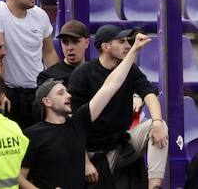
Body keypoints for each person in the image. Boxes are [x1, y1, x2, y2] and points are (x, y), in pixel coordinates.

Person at [24, 32, 149, 189]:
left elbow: (111, 85)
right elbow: (19, 177)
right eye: (61, 93)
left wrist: (134, 50)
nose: (69, 95)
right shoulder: (33, 134)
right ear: (47, 101)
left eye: (67, 91)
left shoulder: (78, 121)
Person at [68, 26, 168, 189]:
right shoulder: (83, 73)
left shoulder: (131, 69)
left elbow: (149, 95)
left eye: (128, 42)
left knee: (159, 126)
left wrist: (156, 122)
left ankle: (155, 187)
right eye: (121, 42)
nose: (127, 46)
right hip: (94, 152)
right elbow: (73, 125)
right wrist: (84, 162)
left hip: (122, 145)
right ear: (105, 47)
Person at [0, 0, 57, 129]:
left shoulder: (40, 15)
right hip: (10, 91)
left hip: (37, 91)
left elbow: (49, 52)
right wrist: (0, 91)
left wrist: (54, 86)